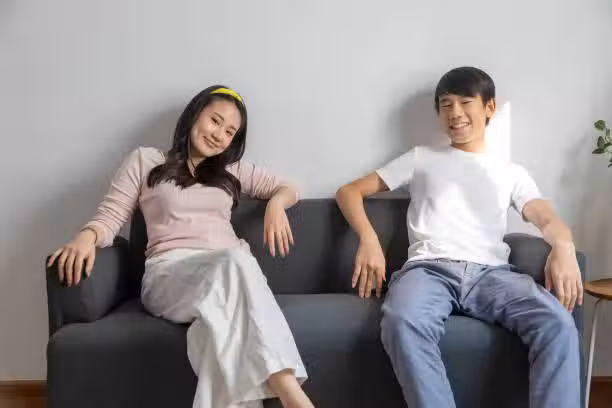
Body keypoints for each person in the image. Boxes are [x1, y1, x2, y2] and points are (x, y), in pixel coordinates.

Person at [48, 85, 314, 408]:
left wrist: (276, 205)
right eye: (215, 121)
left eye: (230, 132)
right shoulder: (146, 161)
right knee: (235, 261)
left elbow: (289, 187)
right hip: (171, 275)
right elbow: (111, 215)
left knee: (211, 334)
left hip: (230, 275)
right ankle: (291, 394)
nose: (219, 135)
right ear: (195, 114)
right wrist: (86, 237)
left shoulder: (231, 171)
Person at [335, 67, 582, 408]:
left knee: (557, 323)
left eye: (466, 102)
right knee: (402, 320)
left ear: (489, 107)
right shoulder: (421, 158)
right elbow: (349, 191)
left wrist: (564, 246)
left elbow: (547, 218)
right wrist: (368, 238)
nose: (455, 113)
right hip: (428, 270)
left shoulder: (511, 172)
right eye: (445, 104)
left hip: (492, 275)